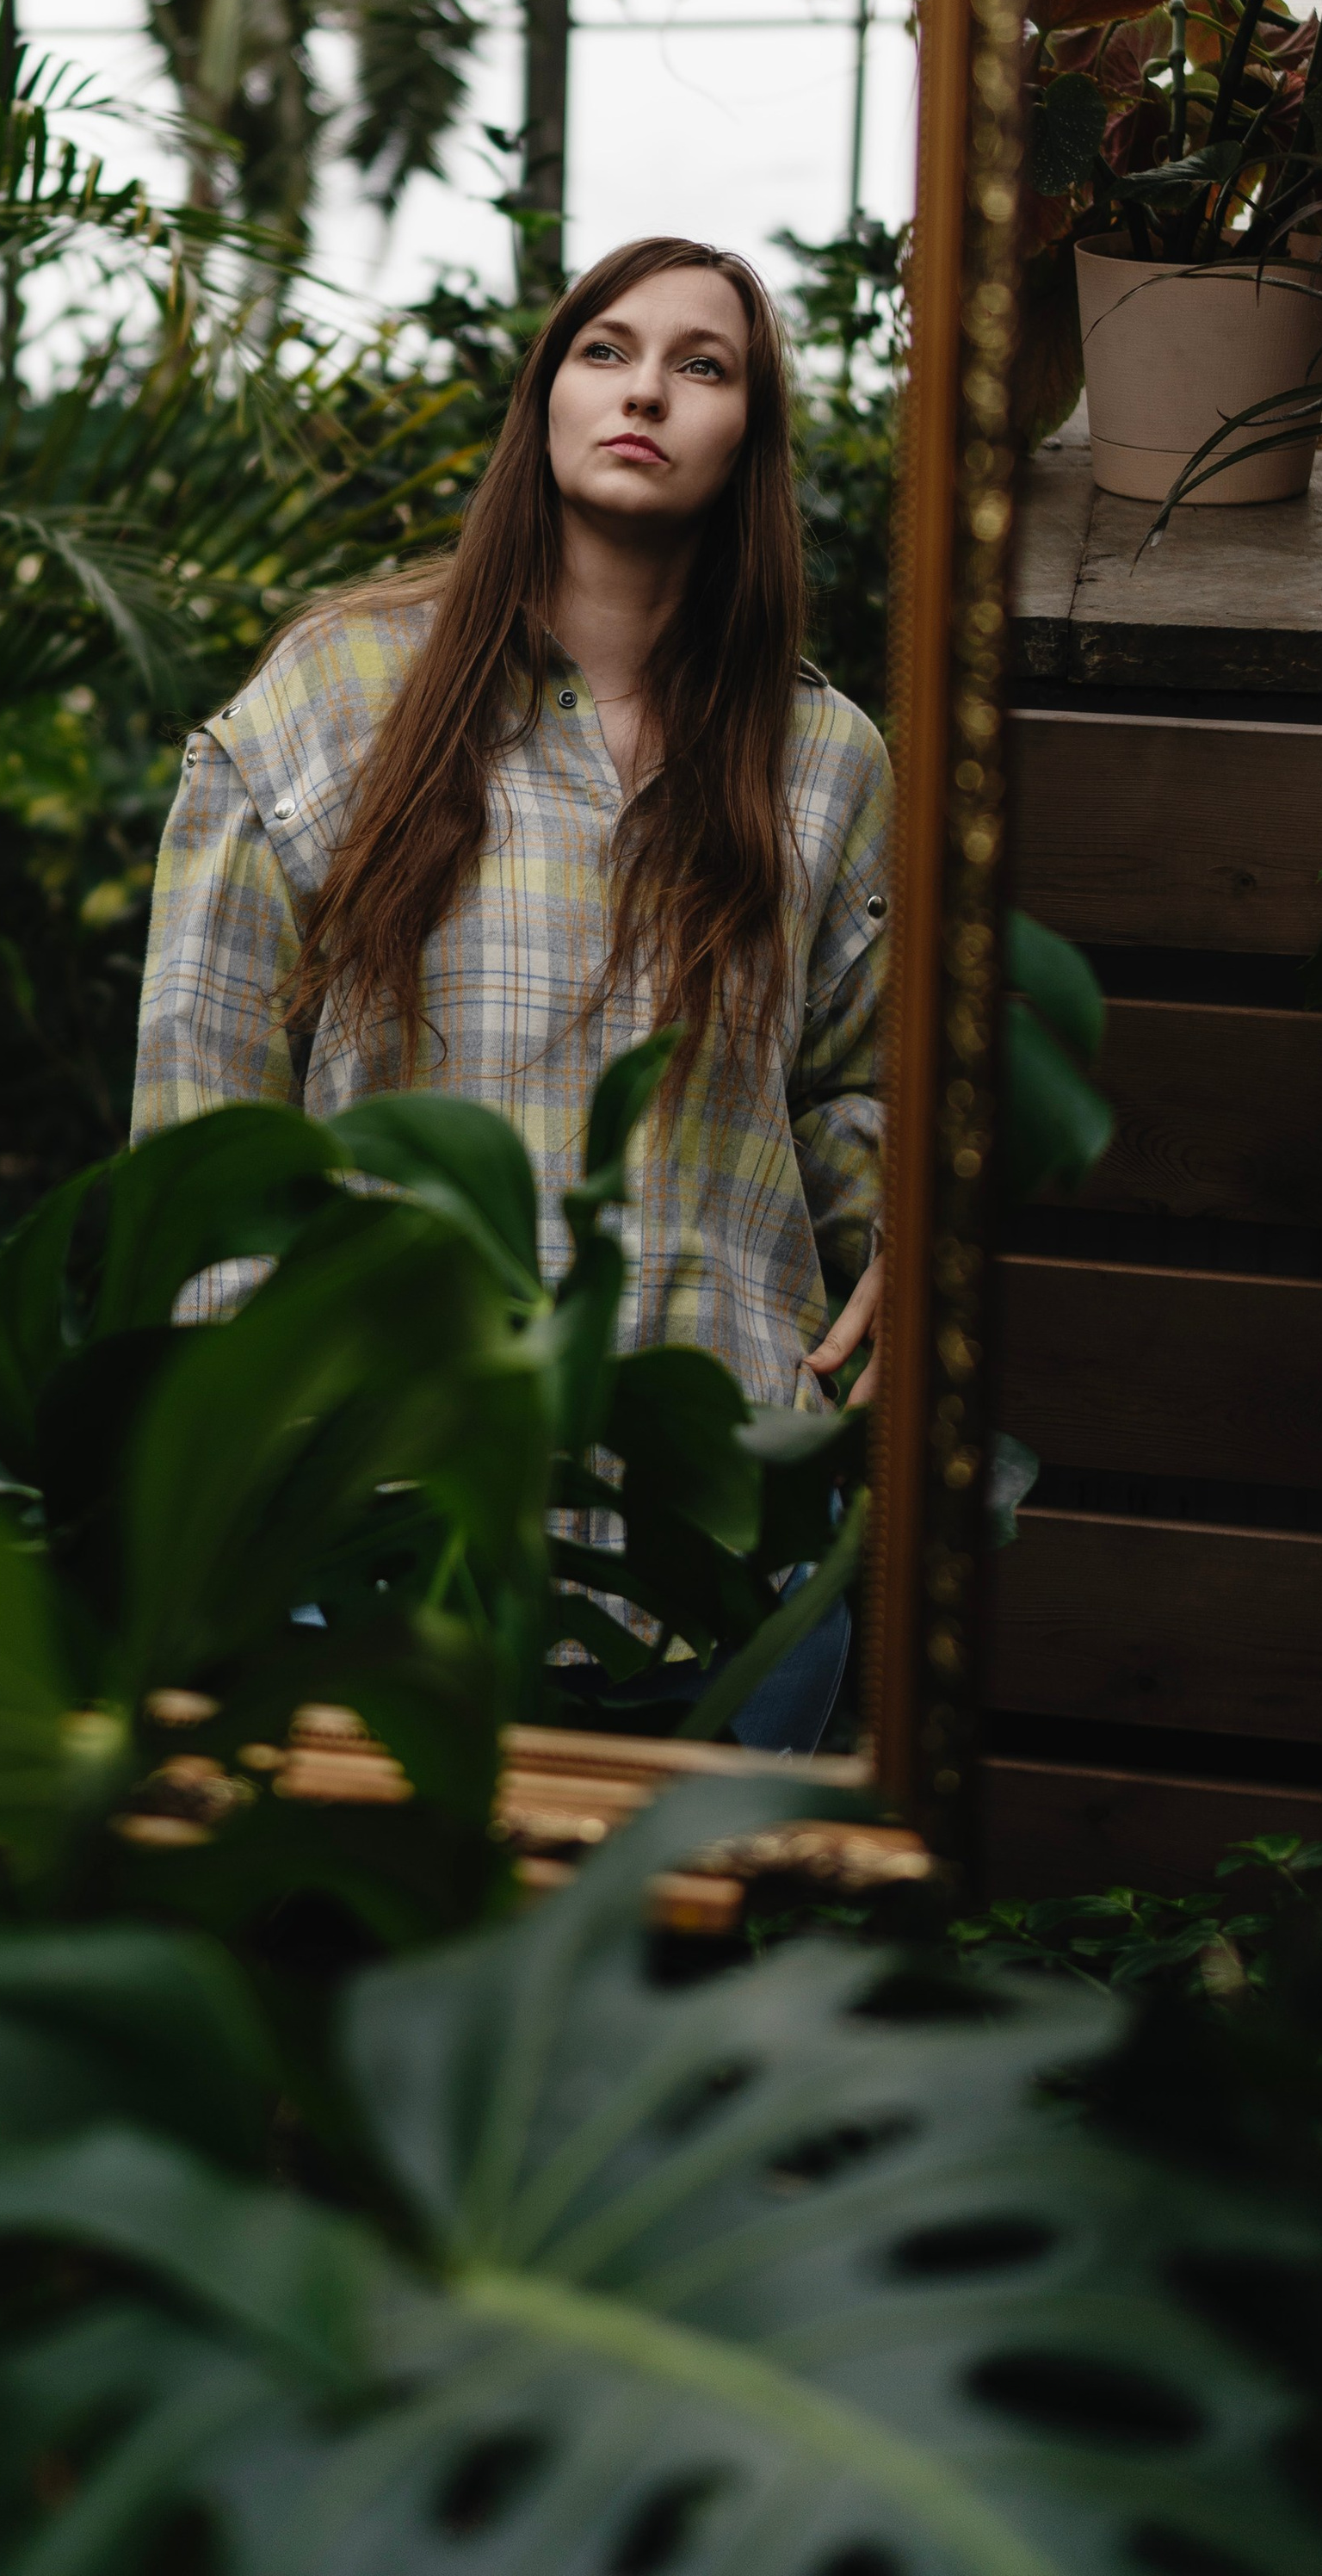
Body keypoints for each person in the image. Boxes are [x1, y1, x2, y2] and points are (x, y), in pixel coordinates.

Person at [131, 236, 889, 1749]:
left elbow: (857, 1091)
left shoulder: (827, 764)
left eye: (704, 364)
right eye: (605, 350)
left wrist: (910, 1260)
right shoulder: (335, 697)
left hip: (726, 1550)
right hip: (372, 1528)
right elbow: (201, 1126)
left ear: (749, 436)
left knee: (691, 1982)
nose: (648, 392)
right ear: (543, 400)